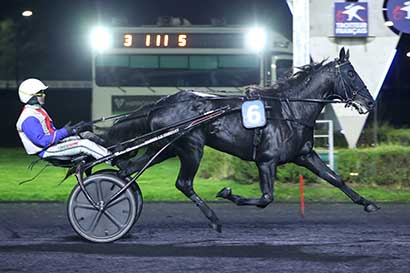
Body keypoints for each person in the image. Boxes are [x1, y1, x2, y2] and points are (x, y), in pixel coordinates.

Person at [16, 78, 111, 162]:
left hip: (53, 145)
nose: (44, 95)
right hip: (46, 150)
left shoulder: (37, 110)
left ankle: (111, 149)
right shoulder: (28, 118)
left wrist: (73, 130)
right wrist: (65, 131)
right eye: (40, 93)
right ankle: (112, 159)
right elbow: (42, 141)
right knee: (84, 144)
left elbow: (51, 133)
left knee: (86, 135)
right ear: (31, 97)